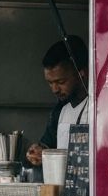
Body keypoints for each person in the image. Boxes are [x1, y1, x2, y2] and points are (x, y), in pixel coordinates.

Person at [24, 35, 90, 170]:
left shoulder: (100, 109)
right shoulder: (60, 111)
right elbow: (47, 145)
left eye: (61, 82)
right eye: (50, 83)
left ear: (82, 73)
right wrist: (38, 152)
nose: (54, 89)